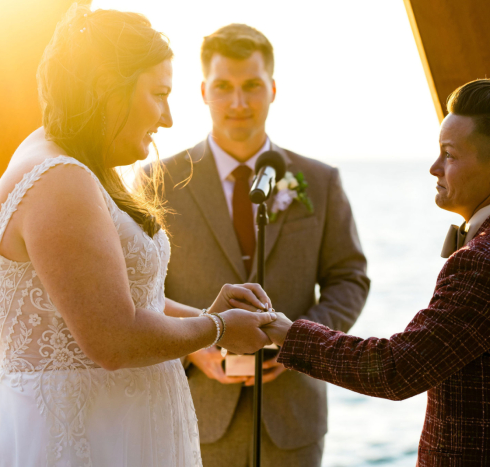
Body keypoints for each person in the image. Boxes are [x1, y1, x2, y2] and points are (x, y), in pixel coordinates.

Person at [0, 6, 278, 466]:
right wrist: (222, 329)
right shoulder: (59, 180)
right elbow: (113, 339)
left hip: (109, 425)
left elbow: (114, 296)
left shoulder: (74, 160)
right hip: (74, 438)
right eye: (159, 94)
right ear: (107, 89)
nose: (168, 118)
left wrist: (205, 314)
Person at [264, 79, 490, 466]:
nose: (434, 168)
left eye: (448, 155)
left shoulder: (485, 262)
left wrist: (284, 332)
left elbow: (395, 370)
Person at [152, 24, 369, 466]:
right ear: (203, 92)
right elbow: (144, 289)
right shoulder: (161, 182)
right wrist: (195, 346)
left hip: (293, 418)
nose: (238, 103)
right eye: (223, 88)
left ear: (272, 89)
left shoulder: (321, 181)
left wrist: (301, 346)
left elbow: (349, 278)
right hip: (198, 411)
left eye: (251, 86)